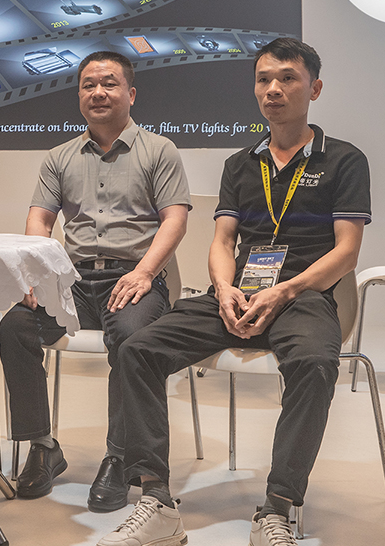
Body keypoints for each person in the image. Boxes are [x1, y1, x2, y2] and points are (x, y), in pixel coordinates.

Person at [99, 37, 370, 546]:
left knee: (315, 365)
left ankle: (277, 508)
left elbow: (346, 251)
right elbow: (223, 241)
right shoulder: (241, 163)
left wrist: (285, 290)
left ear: (314, 88)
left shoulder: (344, 160)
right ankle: (156, 502)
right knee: (137, 349)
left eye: (287, 78)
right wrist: (224, 289)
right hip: (237, 295)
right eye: (264, 79)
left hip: (304, 298)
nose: (273, 89)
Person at [0, 50, 190, 510]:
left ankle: (120, 457)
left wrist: (145, 272)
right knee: (14, 324)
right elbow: (40, 220)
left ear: (131, 93)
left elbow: (175, 220)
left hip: (135, 278)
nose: (98, 92)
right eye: (88, 85)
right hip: (75, 282)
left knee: (131, 338)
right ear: (79, 94)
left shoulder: (159, 150)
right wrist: (33, 274)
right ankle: (43, 446)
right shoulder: (59, 157)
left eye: (109, 83)